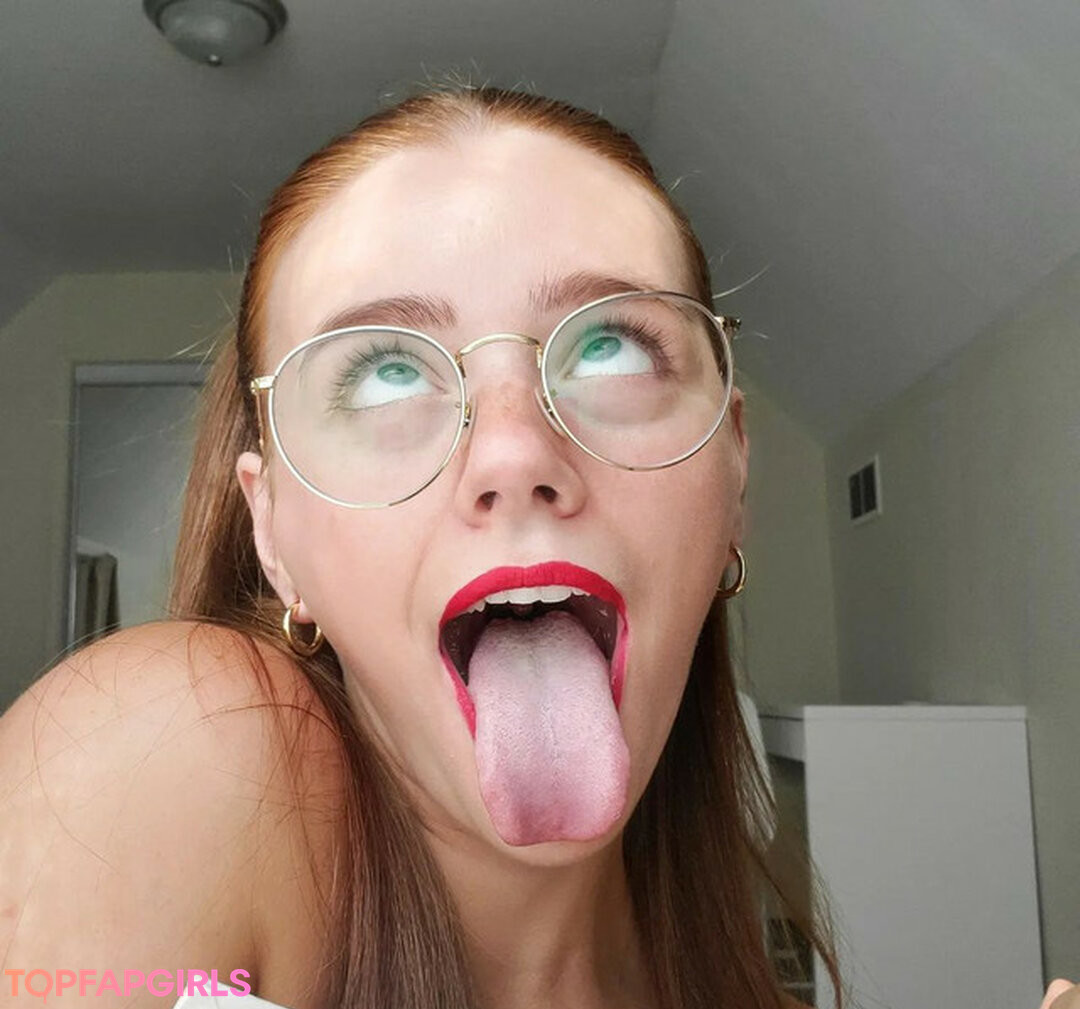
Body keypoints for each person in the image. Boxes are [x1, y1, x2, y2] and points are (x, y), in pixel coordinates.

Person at [0, 86, 1072, 1009]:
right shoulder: (168, 746)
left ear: (733, 467)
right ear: (273, 529)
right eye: (385, 371)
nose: (514, 451)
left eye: (610, 346)